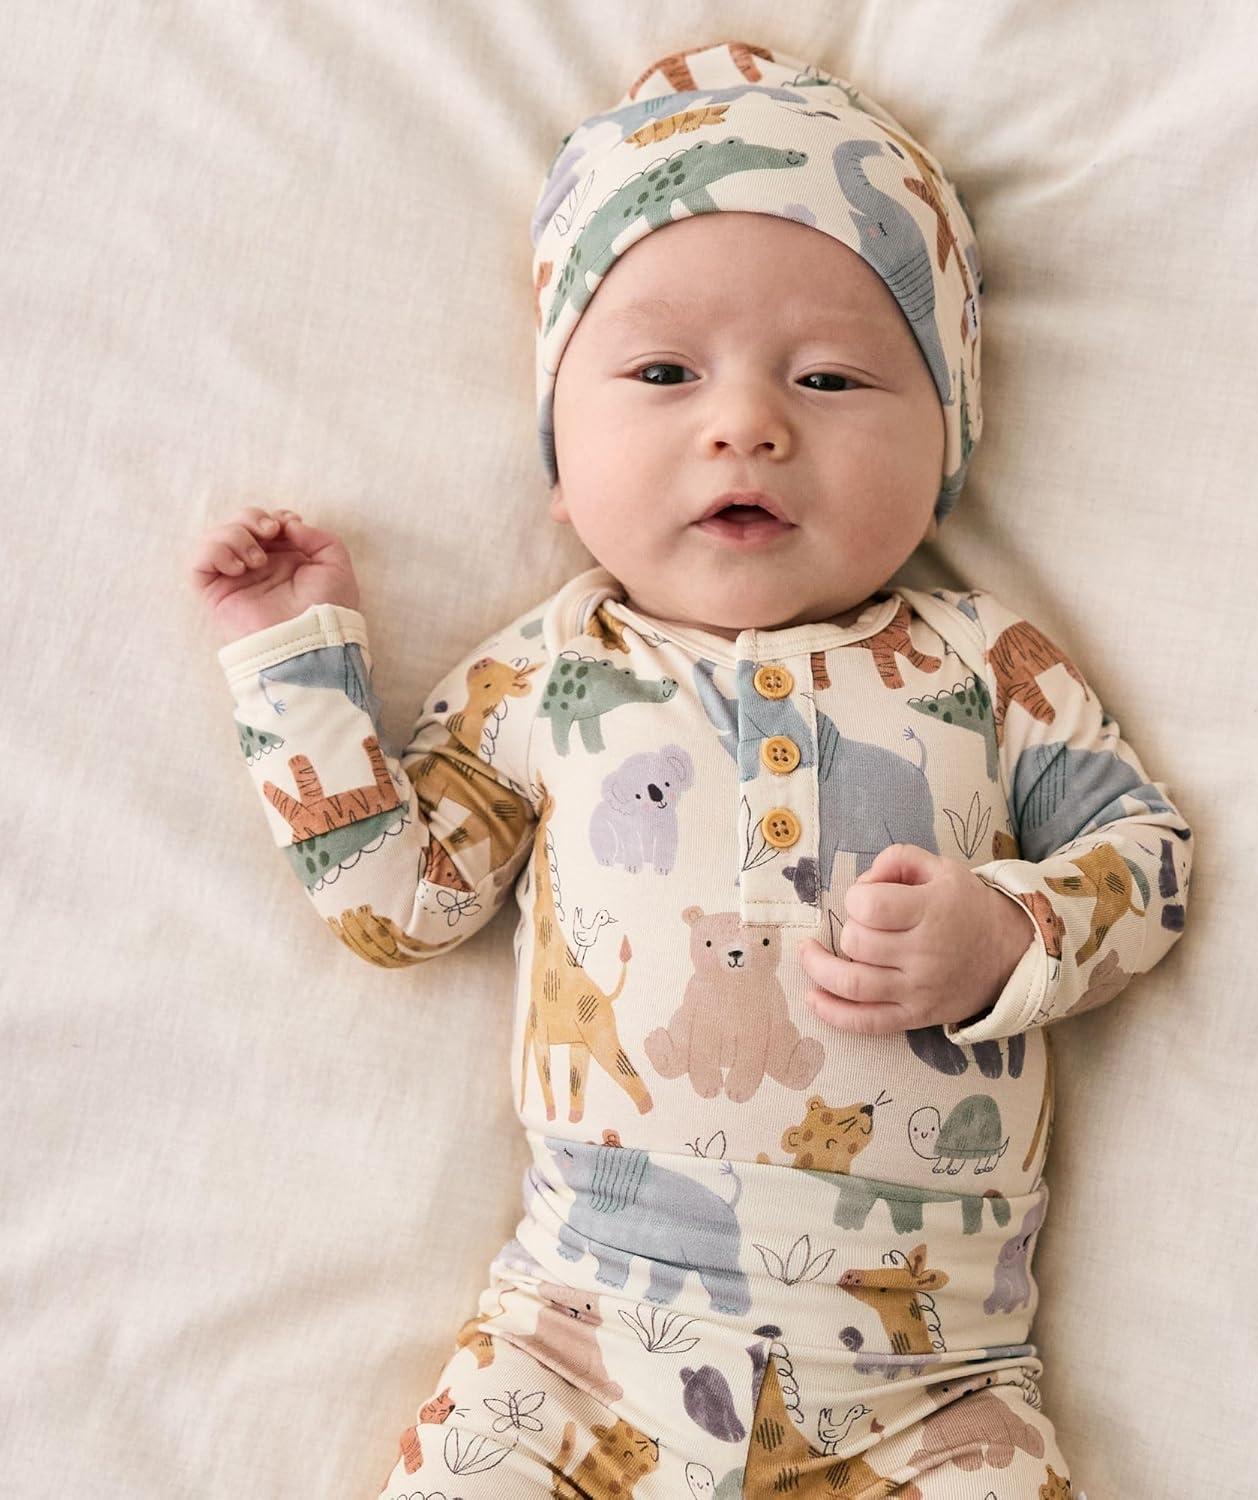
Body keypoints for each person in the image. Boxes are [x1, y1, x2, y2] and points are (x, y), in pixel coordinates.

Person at [188, 39, 1191, 1499]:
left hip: (930, 1379)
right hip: (579, 1347)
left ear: (947, 448)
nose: (748, 423)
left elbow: (1149, 863)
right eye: (663, 373)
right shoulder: (545, 675)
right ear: (559, 454)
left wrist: (1006, 934)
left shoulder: (985, 665)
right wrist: (298, 669)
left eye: (831, 377)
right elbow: (398, 907)